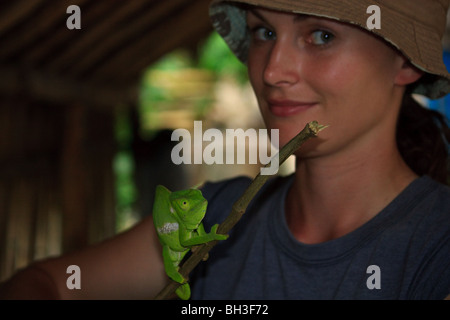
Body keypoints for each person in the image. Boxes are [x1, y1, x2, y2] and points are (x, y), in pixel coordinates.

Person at [1, 0, 449, 299]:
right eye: (263, 33)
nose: (273, 71)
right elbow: (49, 282)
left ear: (404, 61)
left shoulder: (435, 244)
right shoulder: (208, 219)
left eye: (321, 37)